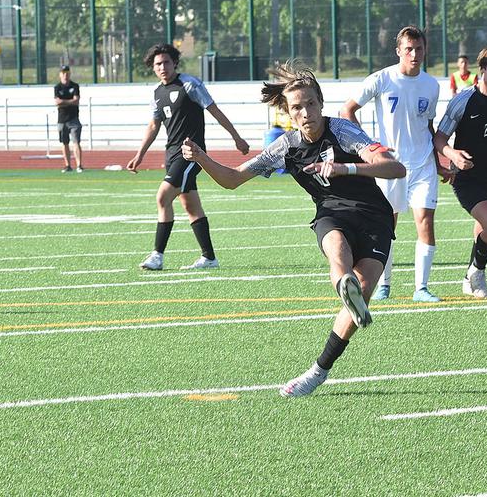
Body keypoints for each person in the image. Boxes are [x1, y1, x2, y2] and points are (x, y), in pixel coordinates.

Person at [181, 62, 406, 397]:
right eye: (297, 107)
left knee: (365, 285)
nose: (306, 112)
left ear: (321, 104)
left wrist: (344, 168)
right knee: (337, 250)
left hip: (376, 217)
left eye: (311, 104)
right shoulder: (285, 147)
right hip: (331, 213)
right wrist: (201, 158)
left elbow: (395, 168)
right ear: (288, 112)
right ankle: (345, 287)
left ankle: (320, 368)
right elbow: (232, 180)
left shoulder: (343, 131)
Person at [340, 25, 444, 303]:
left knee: (425, 221)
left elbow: (428, 125)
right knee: (387, 224)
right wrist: (369, 147)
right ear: (398, 50)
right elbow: (346, 111)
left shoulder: (431, 85)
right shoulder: (382, 79)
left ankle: (421, 287)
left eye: (419, 48)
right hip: (390, 166)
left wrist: (440, 161)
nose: (414, 54)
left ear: (424, 50)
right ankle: (384, 284)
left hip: (423, 164)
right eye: (408, 49)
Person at [127, 43, 250, 271]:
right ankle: (209, 258)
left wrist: (236, 137)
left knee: (163, 197)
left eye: (166, 62)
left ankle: (157, 256)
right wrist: (139, 155)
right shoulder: (157, 93)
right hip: (172, 155)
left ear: (175, 63)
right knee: (190, 205)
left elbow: (214, 110)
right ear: (152, 68)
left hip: (191, 153)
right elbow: (154, 125)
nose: (162, 67)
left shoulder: (190, 85)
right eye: (157, 64)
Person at [433, 44, 487, 299]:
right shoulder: (463, 100)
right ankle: (477, 271)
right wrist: (453, 155)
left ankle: (470, 276)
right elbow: (439, 139)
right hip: (467, 176)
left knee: (485, 227)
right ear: (482, 68)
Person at [53, 65, 84, 173]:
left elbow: (76, 100)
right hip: (62, 119)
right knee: (64, 142)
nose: (65, 75)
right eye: (63, 73)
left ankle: (79, 165)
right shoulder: (57, 87)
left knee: (76, 142)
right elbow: (57, 102)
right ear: (60, 74)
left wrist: (64, 102)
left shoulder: (74, 86)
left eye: (67, 73)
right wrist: (69, 102)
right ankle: (67, 165)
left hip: (74, 118)